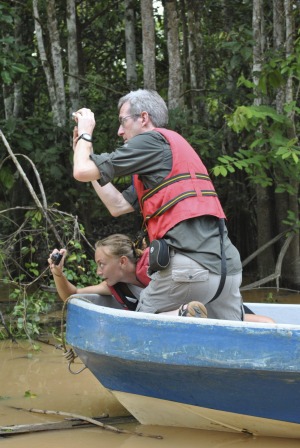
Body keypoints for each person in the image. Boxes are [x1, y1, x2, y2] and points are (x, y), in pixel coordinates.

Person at [70, 89, 252, 320]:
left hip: (190, 270)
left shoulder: (151, 141)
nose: (120, 131)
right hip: (228, 271)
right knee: (231, 341)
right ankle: (186, 319)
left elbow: (81, 171)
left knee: (140, 326)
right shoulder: (170, 154)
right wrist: (87, 153)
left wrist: (85, 134)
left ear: (143, 118)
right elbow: (117, 205)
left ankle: (182, 317)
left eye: (123, 122)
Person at [48, 233, 274, 323]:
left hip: (209, 300)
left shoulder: (159, 271)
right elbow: (72, 295)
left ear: (123, 262)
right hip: (193, 316)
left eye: (102, 264)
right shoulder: (115, 286)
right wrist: (58, 272)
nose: (99, 271)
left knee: (266, 324)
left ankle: (186, 312)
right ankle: (185, 313)